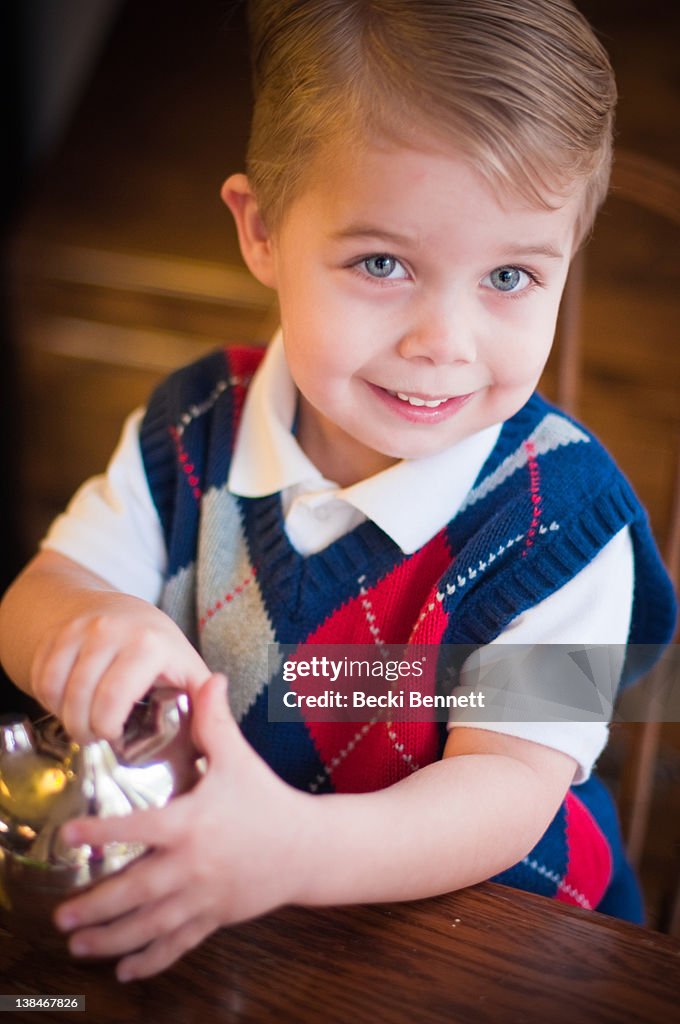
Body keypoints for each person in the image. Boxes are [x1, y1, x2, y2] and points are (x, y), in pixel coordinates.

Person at [0, 0, 676, 983]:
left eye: (509, 277)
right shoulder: (194, 427)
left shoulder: (570, 522)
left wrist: (292, 851)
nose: (441, 341)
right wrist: (93, 621)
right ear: (263, 229)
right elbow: (38, 590)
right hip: (229, 909)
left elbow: (509, 784)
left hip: (495, 947)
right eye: (382, 262)